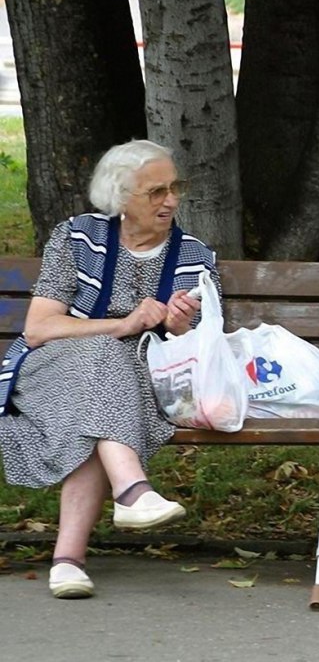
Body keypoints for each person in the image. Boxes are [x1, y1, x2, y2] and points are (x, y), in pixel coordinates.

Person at [0, 140, 219, 600]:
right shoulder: (77, 237)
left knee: (101, 399)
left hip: (145, 378)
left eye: (175, 188)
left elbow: (203, 348)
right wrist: (121, 325)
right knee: (102, 358)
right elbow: (39, 329)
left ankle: (69, 559)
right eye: (156, 192)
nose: (171, 201)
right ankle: (131, 491)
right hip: (55, 369)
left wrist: (181, 328)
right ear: (120, 196)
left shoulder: (193, 255)